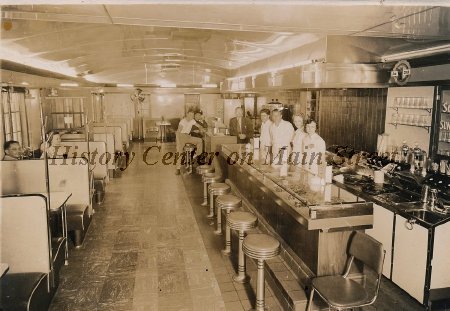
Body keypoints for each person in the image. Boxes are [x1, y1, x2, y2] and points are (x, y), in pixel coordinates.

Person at [175, 110, 203, 175]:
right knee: (179, 152)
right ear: (187, 114)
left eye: (192, 115)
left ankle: (196, 155)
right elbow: (178, 132)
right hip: (181, 136)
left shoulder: (192, 120)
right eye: (190, 115)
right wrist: (178, 142)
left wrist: (201, 129)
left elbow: (199, 126)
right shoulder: (182, 121)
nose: (191, 117)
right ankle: (178, 169)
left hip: (188, 136)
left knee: (200, 141)